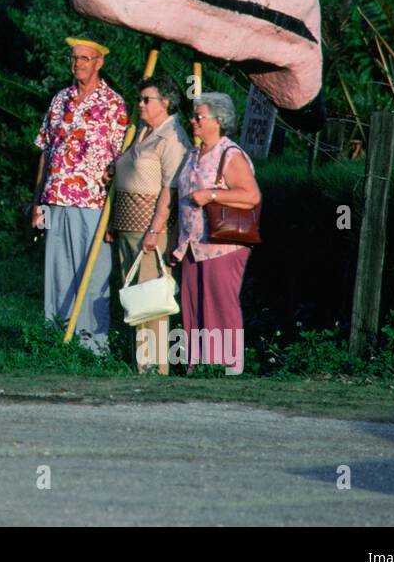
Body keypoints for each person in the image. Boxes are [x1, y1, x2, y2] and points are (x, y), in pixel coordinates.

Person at [32, 37, 129, 353]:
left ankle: (92, 346)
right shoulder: (60, 99)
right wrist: (37, 203)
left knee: (92, 273)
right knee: (57, 273)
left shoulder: (114, 104)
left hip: (94, 203)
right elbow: (45, 151)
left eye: (84, 58)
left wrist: (115, 214)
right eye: (74, 58)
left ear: (98, 62)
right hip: (56, 198)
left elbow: (122, 162)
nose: (78, 64)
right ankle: (56, 339)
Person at [169, 92, 260, 374]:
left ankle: (228, 366)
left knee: (220, 303)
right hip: (192, 245)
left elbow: (251, 196)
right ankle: (197, 366)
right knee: (193, 305)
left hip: (222, 244)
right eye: (194, 116)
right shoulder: (194, 154)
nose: (193, 121)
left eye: (199, 116)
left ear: (218, 121)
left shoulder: (230, 155)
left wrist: (210, 195)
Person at [108, 74, 191, 373]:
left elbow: (170, 190)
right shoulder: (141, 130)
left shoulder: (173, 138)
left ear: (165, 103)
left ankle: (155, 367)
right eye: (140, 99)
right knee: (134, 297)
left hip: (149, 231)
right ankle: (139, 363)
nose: (140, 104)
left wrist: (155, 231)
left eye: (147, 99)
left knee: (152, 299)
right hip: (126, 225)